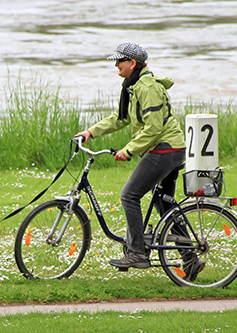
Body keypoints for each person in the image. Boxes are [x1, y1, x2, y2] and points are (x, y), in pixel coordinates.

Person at [75, 42, 205, 279]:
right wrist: (90, 132)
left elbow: (154, 128)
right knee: (164, 205)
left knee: (129, 195)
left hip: (166, 149)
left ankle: (137, 252)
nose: (116, 65)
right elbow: (120, 118)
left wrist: (129, 149)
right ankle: (190, 258)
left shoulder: (147, 88)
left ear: (132, 63)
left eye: (119, 61)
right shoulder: (133, 86)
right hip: (167, 148)